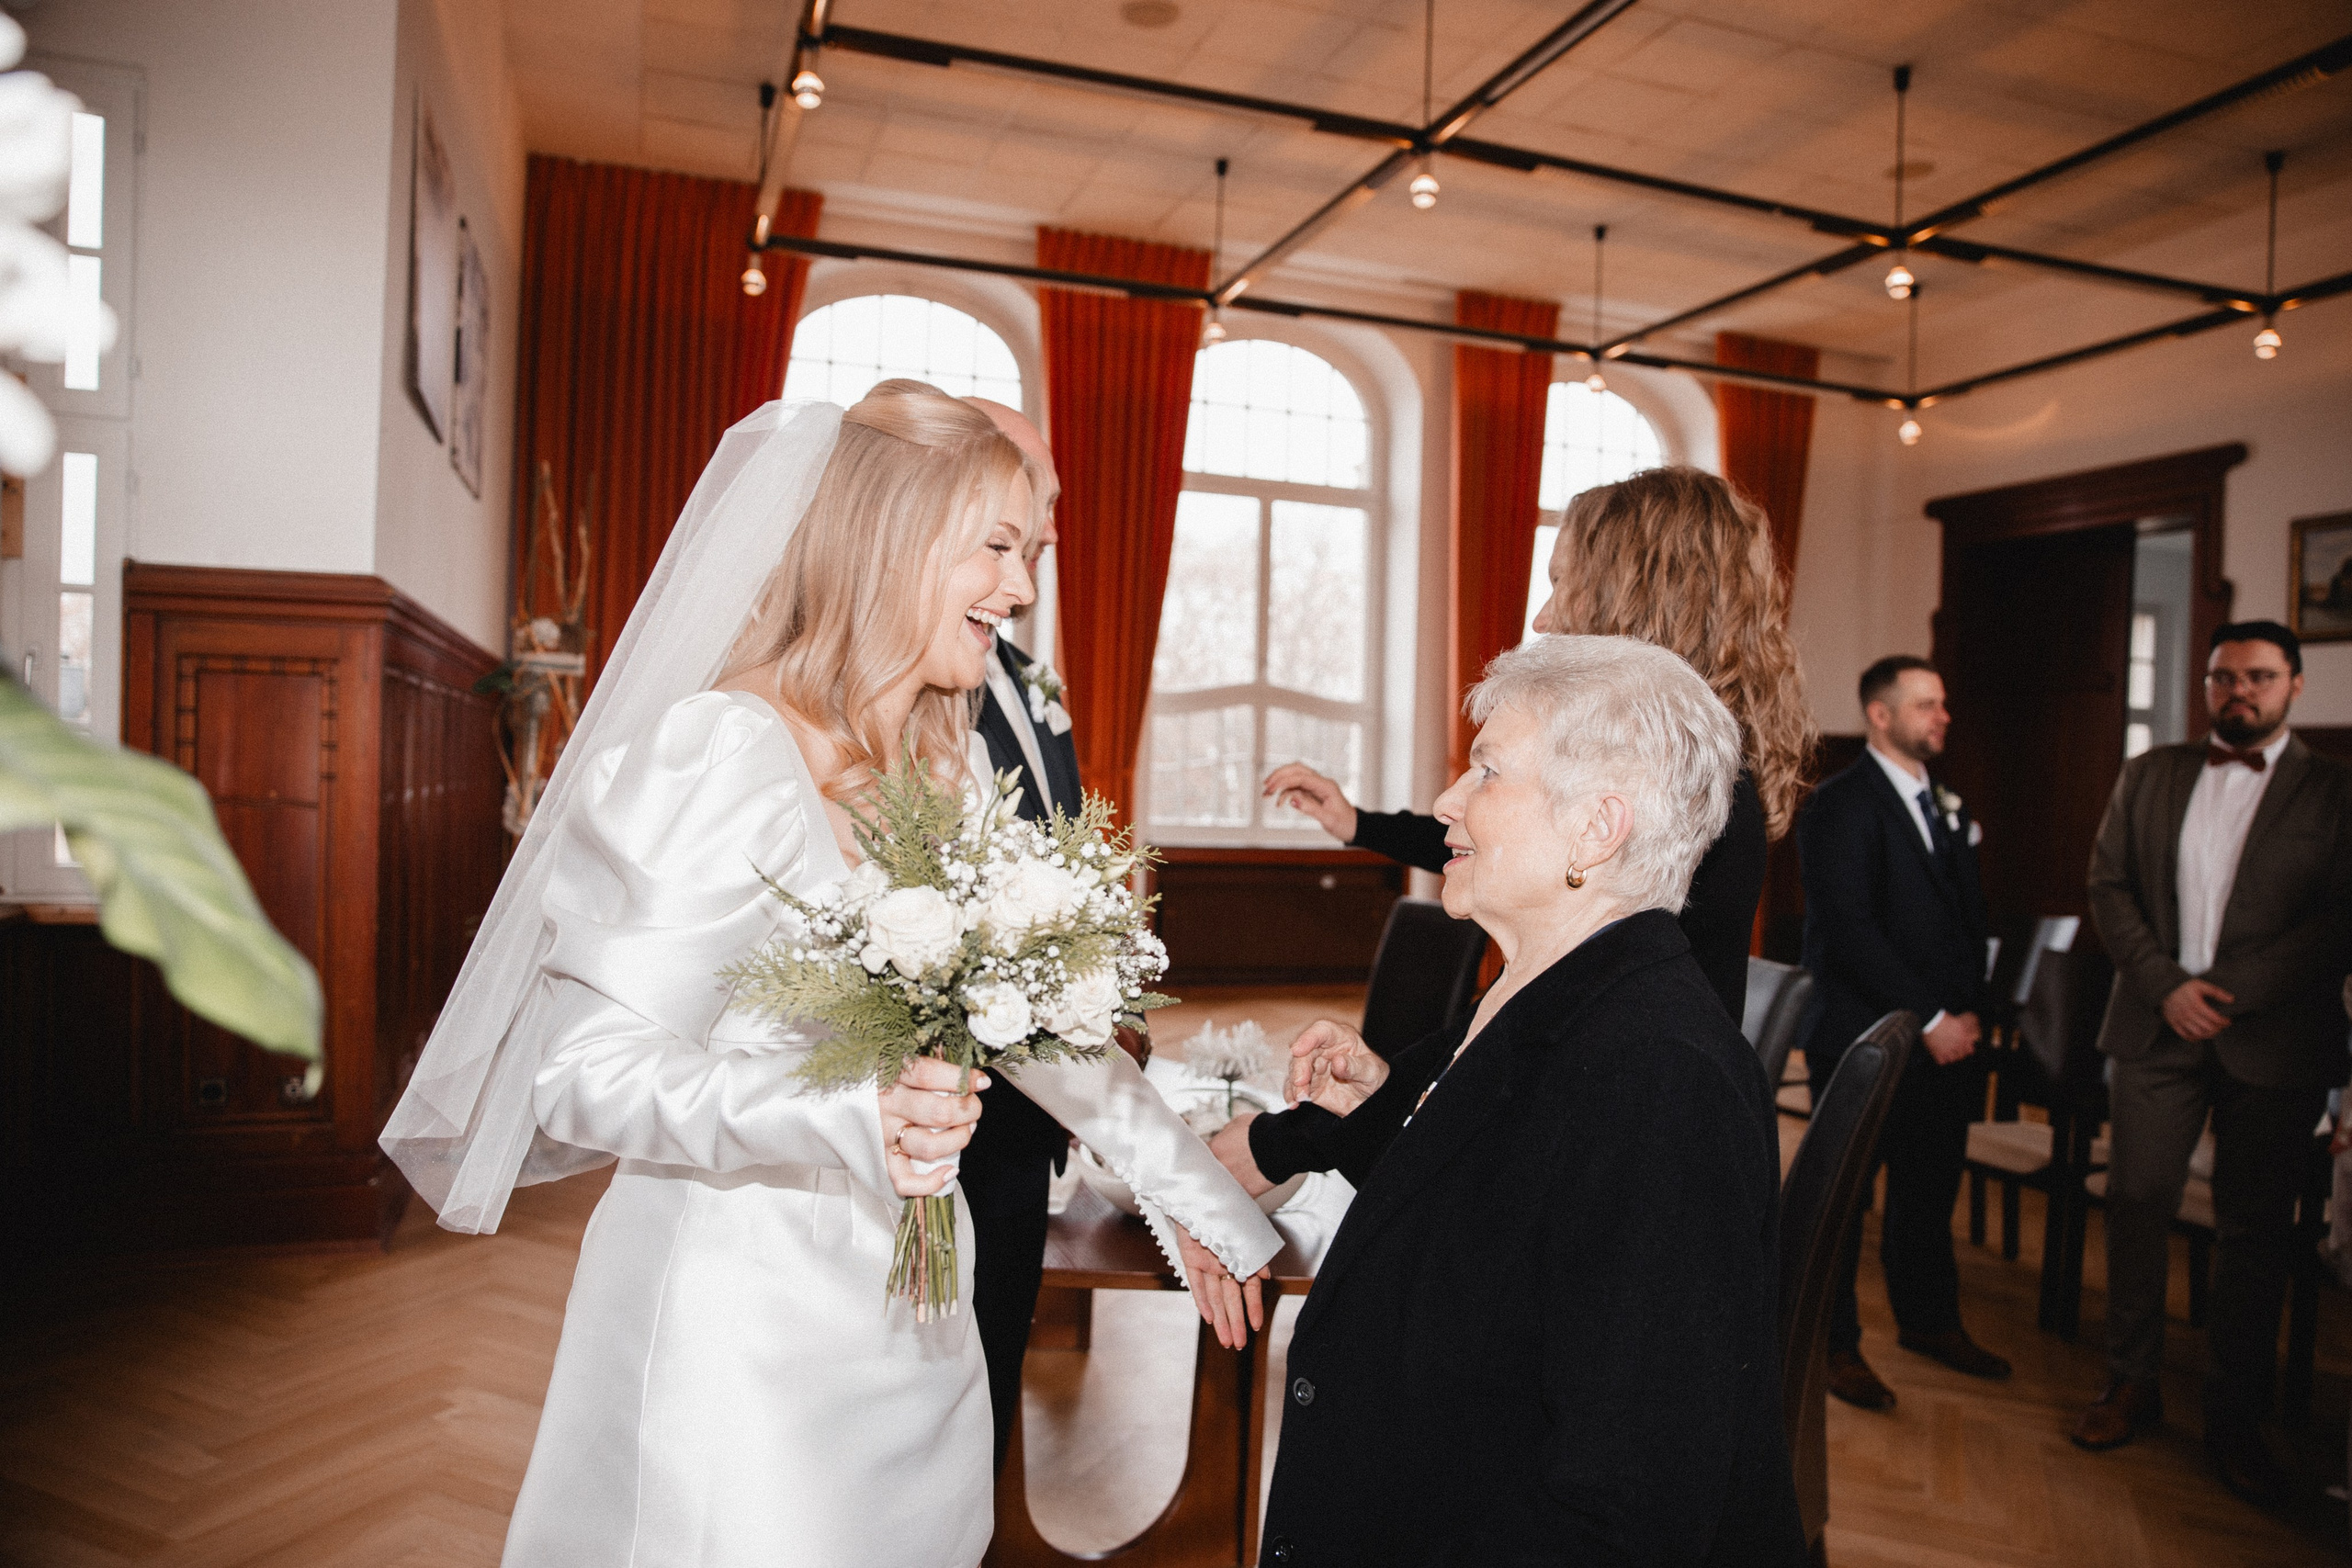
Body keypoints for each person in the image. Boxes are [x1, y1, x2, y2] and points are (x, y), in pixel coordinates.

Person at [379, 384, 1280, 1568]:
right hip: (740, 1332)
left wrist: (1198, 1206)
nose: (1021, 587)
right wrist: (853, 1114)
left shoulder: (934, 768)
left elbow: (1031, 1030)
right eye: (997, 547)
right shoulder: (722, 753)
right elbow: (582, 1075)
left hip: (913, 1316)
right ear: (892, 537)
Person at [1251, 635, 1804, 1566]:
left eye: (1486, 772)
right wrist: (1407, 1104)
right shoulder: (1543, 1001)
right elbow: (1504, 1238)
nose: (1446, 802)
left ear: (1596, 828)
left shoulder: (1661, 1079)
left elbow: (1628, 1500)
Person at [1262, 465, 1813, 1025]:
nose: (1542, 619)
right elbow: (1513, 840)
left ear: (1631, 597)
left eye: (1560, 584)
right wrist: (1358, 822)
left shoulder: (1679, 782)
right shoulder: (1660, 766)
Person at [2073, 621, 2352, 1505]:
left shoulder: (2335, 792)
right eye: (2223, 677)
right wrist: (2165, 986)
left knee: (2254, 1227)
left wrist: (2224, 992)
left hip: (2274, 1039)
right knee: (2137, 1197)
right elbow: (2108, 884)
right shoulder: (2150, 773)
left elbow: (2335, 922)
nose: (2239, 692)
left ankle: (2236, 1416)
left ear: (2296, 686)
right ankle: (2132, 1380)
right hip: (2157, 1026)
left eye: (2259, 677)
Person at [1796, 655, 2007, 1410]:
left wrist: (1972, 1010)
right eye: (1926, 704)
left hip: (1947, 1039)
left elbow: (1962, 919)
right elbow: (1850, 930)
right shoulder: (1839, 804)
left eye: (1943, 702)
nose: (1942, 715)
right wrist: (1932, 1017)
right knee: (1844, 1199)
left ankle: (1929, 1321)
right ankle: (1830, 1342)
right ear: (1880, 715)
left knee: (1928, 1190)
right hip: (1868, 1035)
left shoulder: (1942, 803)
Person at [957, 395, 1096, 1472]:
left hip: (1024, 1108)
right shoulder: (919, 675)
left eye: (1037, 534)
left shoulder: (1025, 674)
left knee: (992, 1361)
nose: (1033, 568)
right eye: (1010, 534)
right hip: (944, 1114)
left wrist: (1105, 1000)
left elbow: (1062, 856)